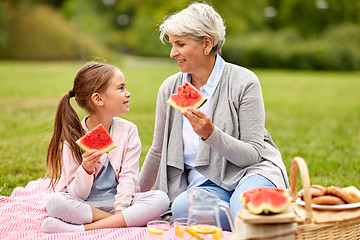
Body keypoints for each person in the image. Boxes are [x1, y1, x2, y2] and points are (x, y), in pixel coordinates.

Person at [139, 2, 290, 231]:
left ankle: (247, 214)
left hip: (250, 173)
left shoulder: (244, 81)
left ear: (206, 43)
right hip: (208, 186)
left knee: (244, 206)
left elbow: (252, 155)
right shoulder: (170, 88)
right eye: (172, 45)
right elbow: (158, 151)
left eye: (180, 44)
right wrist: (133, 197)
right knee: (181, 207)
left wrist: (210, 134)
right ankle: (255, 220)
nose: (172, 53)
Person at [41, 61, 170, 233]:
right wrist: (86, 170)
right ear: (98, 99)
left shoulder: (129, 131)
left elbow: (129, 177)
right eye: (121, 88)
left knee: (160, 199)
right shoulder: (73, 137)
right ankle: (119, 222)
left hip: (117, 202)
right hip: (84, 205)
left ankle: (80, 229)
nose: (128, 93)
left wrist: (121, 210)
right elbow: (75, 195)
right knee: (55, 202)